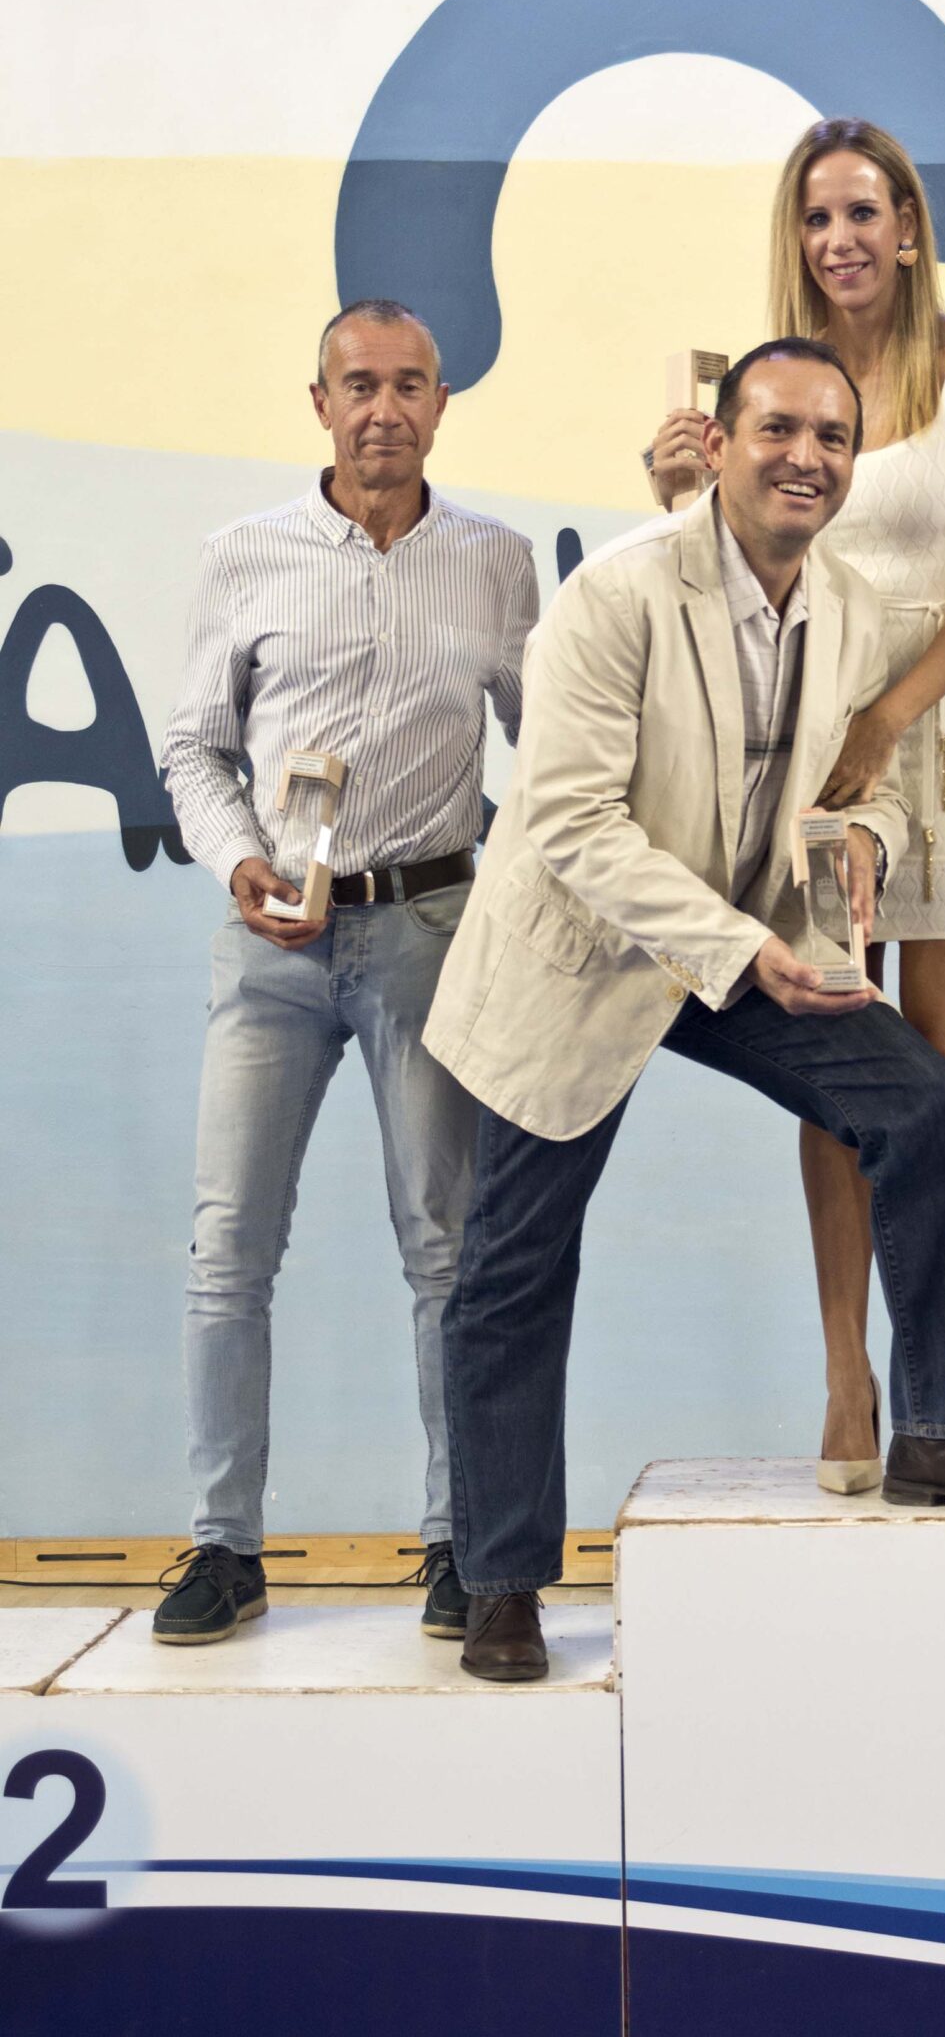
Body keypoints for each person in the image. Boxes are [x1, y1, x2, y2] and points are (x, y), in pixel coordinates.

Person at [429, 342, 945, 1683]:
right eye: (779, 428)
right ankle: (498, 1580)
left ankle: (939, 1432)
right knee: (512, 1267)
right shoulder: (615, 594)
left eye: (833, 437)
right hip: (587, 954)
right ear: (718, 444)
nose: (808, 457)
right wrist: (744, 947)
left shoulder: (845, 602)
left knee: (915, 1099)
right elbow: (569, 821)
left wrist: (863, 845)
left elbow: (865, 784)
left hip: (746, 944)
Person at [647, 120, 945, 1488]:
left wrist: (893, 717)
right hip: (817, 736)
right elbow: (726, 563)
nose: (841, 239)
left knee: (944, 1047)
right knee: (839, 1042)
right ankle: (847, 1377)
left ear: (910, 226)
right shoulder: (770, 384)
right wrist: (677, 496)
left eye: (864, 212)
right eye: (818, 217)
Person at [156, 299, 538, 1643]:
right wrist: (236, 862)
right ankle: (224, 1548)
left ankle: (458, 1542)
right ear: (318, 403)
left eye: (408, 385)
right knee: (228, 1251)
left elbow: (549, 745)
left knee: (446, 1250)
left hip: (430, 931)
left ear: (442, 404)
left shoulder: (496, 565)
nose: (384, 409)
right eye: (358, 385)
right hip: (272, 945)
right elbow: (194, 746)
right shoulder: (244, 557)